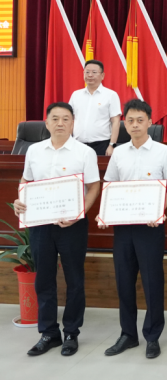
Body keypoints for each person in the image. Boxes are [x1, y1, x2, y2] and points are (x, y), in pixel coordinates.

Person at [13, 102, 100, 357]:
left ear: (73, 123)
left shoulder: (85, 152)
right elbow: (26, 180)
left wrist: (78, 213)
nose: (60, 123)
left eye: (66, 119)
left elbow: (94, 186)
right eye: (55, 118)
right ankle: (49, 333)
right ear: (47, 123)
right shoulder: (34, 151)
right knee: (44, 279)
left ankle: (71, 332)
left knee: (74, 279)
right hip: (40, 224)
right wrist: (20, 199)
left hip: (72, 225)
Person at [99, 99, 167, 360]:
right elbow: (109, 186)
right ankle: (128, 334)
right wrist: (104, 213)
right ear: (125, 123)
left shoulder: (163, 152)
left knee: (152, 281)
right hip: (123, 227)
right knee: (124, 281)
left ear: (150, 122)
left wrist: (159, 210)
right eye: (130, 121)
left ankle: (152, 336)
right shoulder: (119, 153)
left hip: (150, 227)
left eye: (140, 120)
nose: (135, 125)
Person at [68, 60, 121, 156]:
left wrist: (112, 145)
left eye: (94, 72)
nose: (90, 75)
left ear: (102, 75)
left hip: (101, 145)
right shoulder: (76, 95)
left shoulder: (111, 95)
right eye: (87, 72)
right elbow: (70, 119)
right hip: (78, 144)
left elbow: (116, 121)